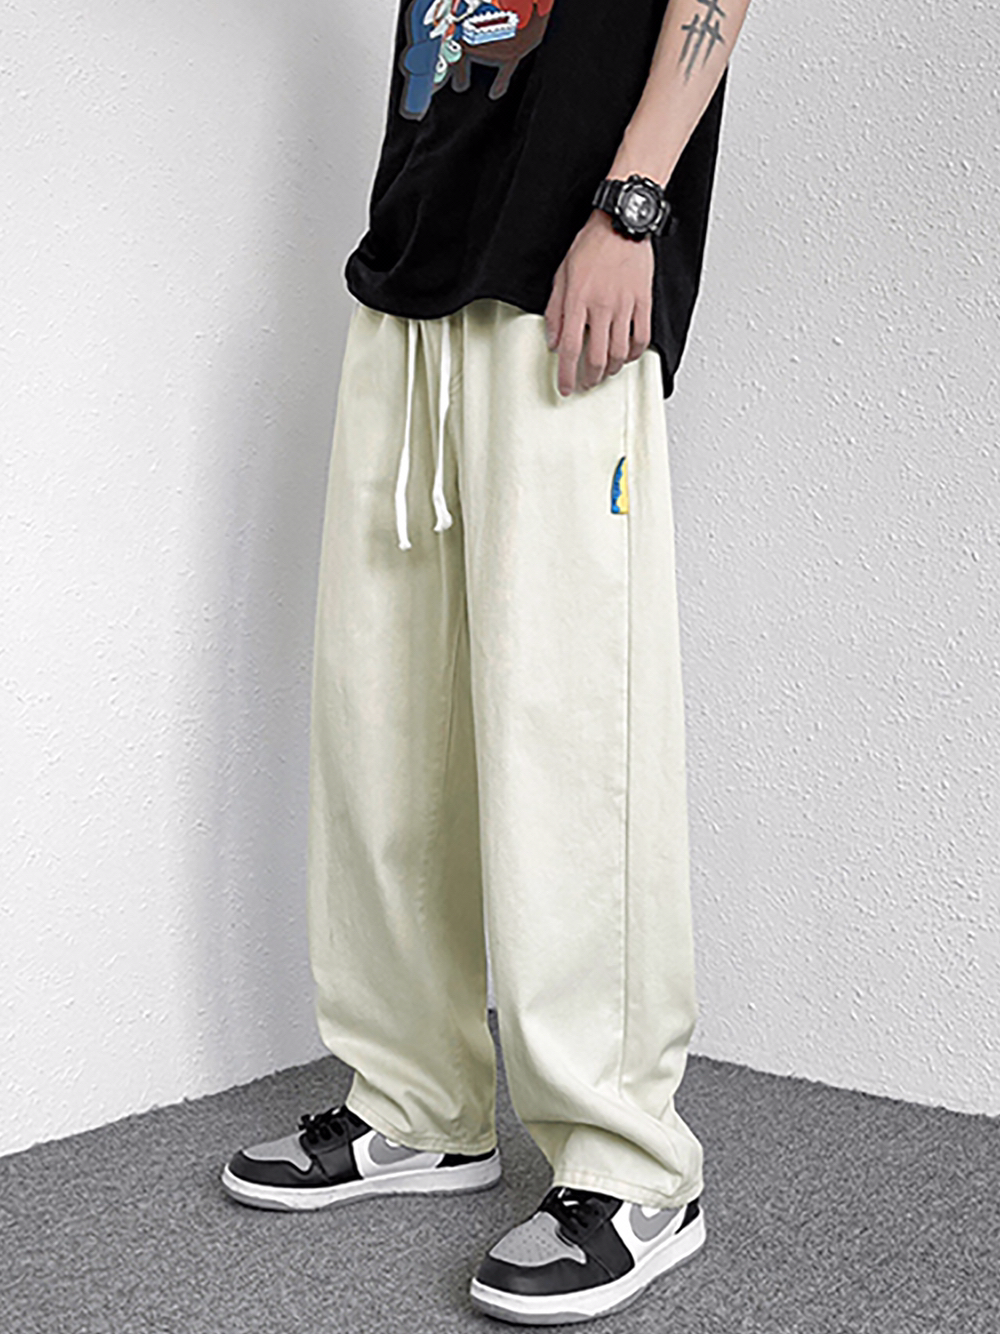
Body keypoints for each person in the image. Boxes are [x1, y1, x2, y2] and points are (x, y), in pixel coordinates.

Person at [221, 0, 751, 1322]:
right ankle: (419, 1101)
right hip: (419, 243)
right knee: (383, 720)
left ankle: (633, 1162)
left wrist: (634, 205)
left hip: (575, 256)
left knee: (573, 727)